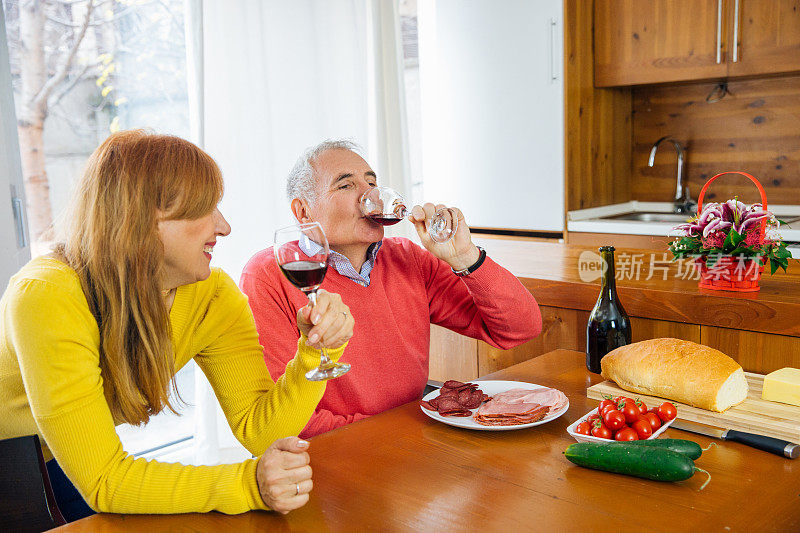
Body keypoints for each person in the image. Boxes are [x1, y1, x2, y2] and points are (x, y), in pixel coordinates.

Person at [0, 131, 354, 520]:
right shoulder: (45, 296)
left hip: (60, 458)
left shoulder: (211, 295)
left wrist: (316, 352)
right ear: (141, 219)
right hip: (12, 465)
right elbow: (103, 480)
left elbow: (262, 431)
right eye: (205, 207)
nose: (224, 226)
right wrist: (246, 484)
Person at [240, 140, 542, 438]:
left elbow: (519, 329)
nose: (369, 194)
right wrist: (400, 436)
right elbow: (288, 420)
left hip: (412, 442)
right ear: (303, 212)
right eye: (345, 186)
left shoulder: (407, 257)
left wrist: (465, 257)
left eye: (371, 182)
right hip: (337, 456)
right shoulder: (270, 274)